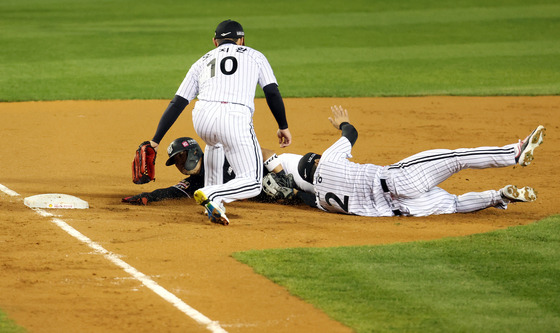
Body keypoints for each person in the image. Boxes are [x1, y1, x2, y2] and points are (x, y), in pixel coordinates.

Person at [145, 20, 292, 225]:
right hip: (234, 117)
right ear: (241, 40)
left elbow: (178, 102)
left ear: (215, 41)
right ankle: (210, 194)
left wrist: (155, 140)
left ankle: (214, 206)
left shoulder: (201, 61)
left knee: (215, 144)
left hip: (202, 117)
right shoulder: (255, 55)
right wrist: (282, 125)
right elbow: (272, 92)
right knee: (253, 183)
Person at [297, 105, 546, 217]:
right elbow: (351, 134)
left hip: (402, 210)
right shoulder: (327, 160)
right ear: (316, 161)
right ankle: (514, 153)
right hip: (400, 180)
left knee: (455, 205)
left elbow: (305, 198)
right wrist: (342, 123)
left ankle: (500, 196)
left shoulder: (322, 202)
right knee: (458, 158)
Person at [122, 137, 315, 208]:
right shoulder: (195, 183)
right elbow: (171, 192)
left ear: (194, 152)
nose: (179, 165)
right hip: (285, 194)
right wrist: (147, 196)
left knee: (323, 179)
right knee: (320, 200)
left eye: (180, 158)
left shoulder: (223, 153)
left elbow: (265, 153)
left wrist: (281, 177)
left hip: (287, 168)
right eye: (175, 162)